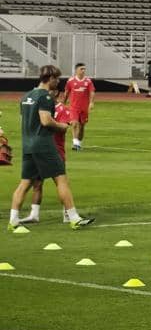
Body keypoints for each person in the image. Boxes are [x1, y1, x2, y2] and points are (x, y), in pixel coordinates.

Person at [9, 65, 94, 231]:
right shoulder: (45, 97)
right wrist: (62, 127)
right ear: (50, 79)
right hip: (43, 144)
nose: (58, 82)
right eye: (57, 79)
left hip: (28, 144)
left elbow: (25, 121)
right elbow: (46, 120)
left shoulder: (26, 96)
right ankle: (74, 218)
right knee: (61, 180)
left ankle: (13, 221)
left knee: (25, 183)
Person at [17, 80, 74, 224]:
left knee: (61, 182)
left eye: (49, 90)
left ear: (55, 92)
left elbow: (65, 127)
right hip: (39, 149)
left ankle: (67, 214)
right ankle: (34, 214)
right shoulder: (40, 106)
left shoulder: (62, 109)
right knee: (37, 183)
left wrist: (49, 124)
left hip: (56, 149)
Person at [64, 63, 94, 151]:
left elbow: (92, 92)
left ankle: (79, 143)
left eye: (84, 69)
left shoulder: (88, 81)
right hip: (74, 107)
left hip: (84, 108)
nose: (83, 71)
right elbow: (66, 92)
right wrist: (64, 102)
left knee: (82, 126)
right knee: (74, 124)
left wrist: (91, 102)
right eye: (81, 69)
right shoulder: (70, 81)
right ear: (76, 70)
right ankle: (75, 143)